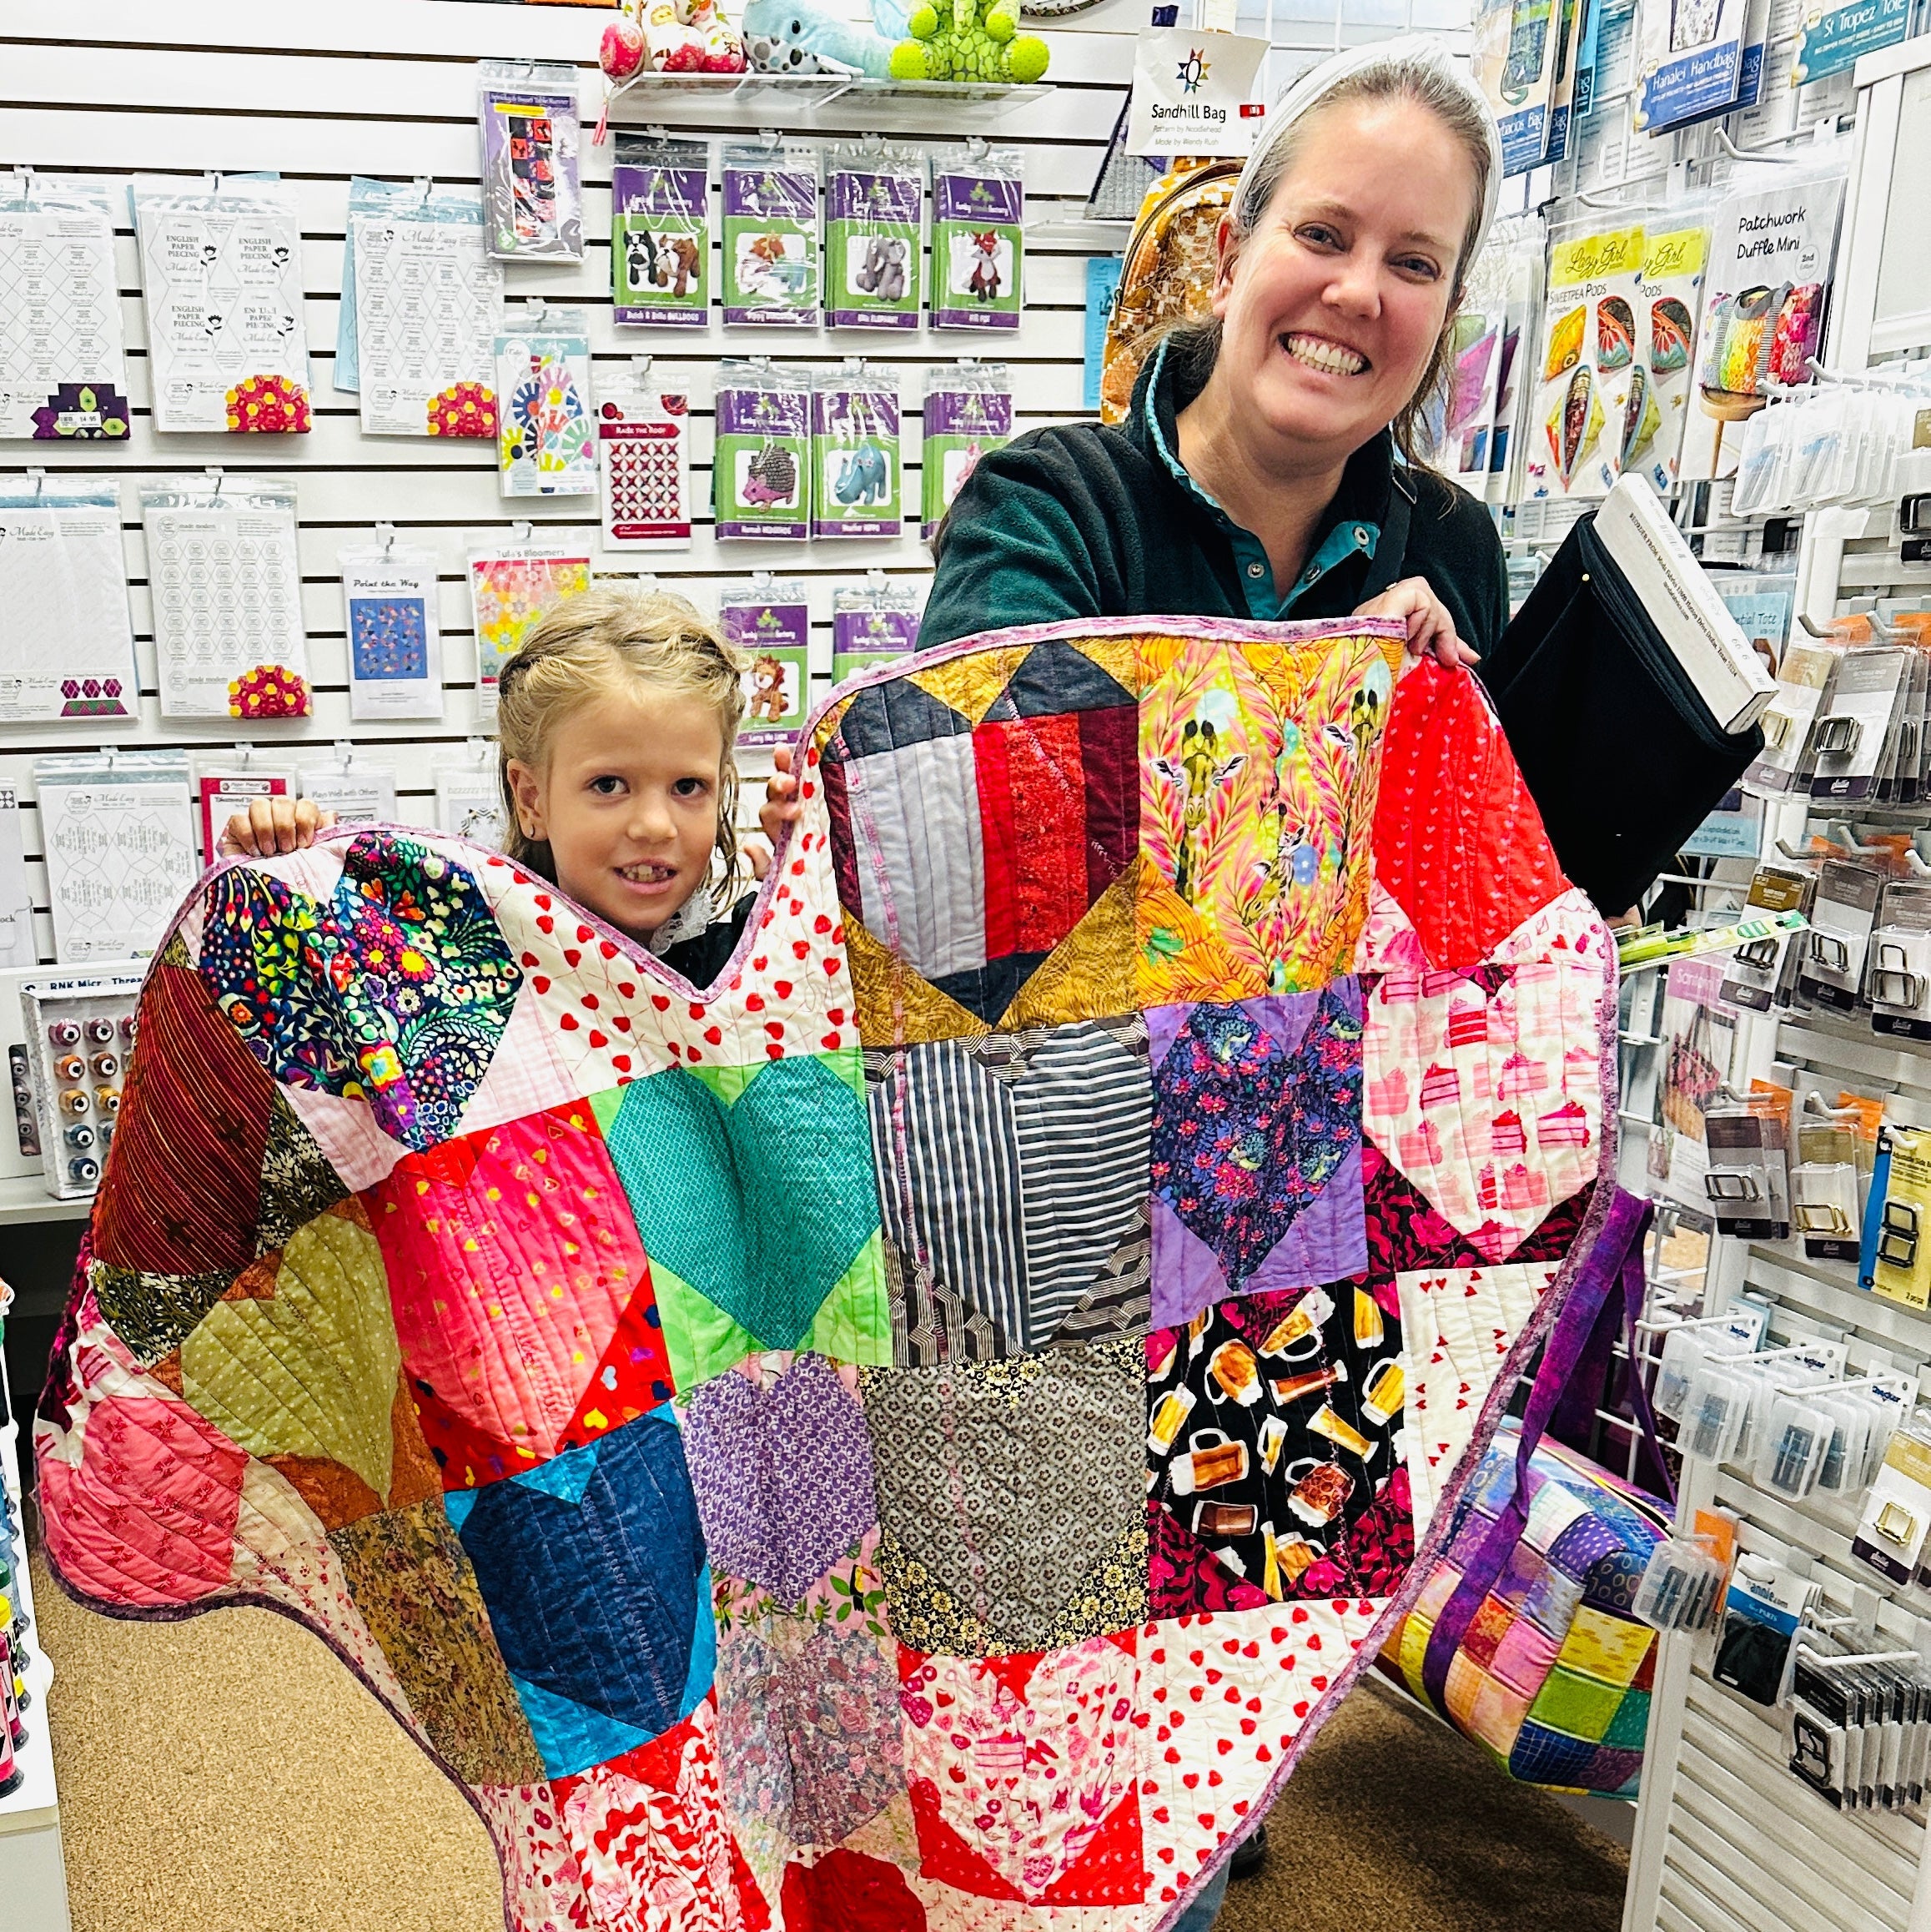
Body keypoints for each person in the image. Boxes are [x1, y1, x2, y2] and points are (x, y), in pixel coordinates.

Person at [768, 37, 1508, 1926]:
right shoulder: (1051, 495)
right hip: (1038, 1230)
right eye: (1321, 232)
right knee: (1026, 1741)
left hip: (1288, 1228)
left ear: (1446, 306)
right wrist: (1296, 713)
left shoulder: (1451, 552)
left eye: (1410, 260)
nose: (1354, 292)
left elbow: (1455, 923)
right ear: (1234, 246)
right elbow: (982, 880)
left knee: (1204, 1744)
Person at [220, 586, 776, 986]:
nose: (655, 825)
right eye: (608, 785)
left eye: (688, 786)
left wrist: (817, 877)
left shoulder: (753, 946)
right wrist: (276, 872)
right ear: (531, 798)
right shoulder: (458, 951)